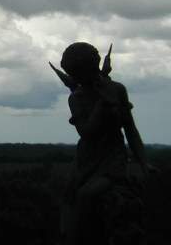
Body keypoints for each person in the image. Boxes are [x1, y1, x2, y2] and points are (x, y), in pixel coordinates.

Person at [51, 42, 155, 245]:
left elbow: (130, 129)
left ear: (91, 67)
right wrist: (101, 106)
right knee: (69, 199)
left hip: (112, 158)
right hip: (86, 158)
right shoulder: (76, 98)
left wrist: (144, 163)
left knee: (86, 195)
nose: (75, 79)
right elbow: (87, 133)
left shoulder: (117, 90)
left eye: (77, 73)